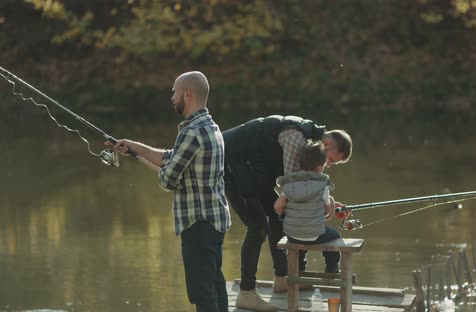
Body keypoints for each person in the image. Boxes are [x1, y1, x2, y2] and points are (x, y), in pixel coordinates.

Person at [107, 71, 231, 312]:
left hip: (197, 224)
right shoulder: (210, 127)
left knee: (202, 292)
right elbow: (171, 157)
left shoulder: (191, 132)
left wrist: (146, 164)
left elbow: (168, 179)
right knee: (215, 283)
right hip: (214, 221)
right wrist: (136, 148)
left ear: (187, 94)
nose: (172, 97)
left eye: (174, 92)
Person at [222, 115, 352, 311]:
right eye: (332, 160)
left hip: (255, 174)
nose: (330, 166)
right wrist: (325, 204)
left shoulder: (308, 142)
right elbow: (294, 188)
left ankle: (282, 278)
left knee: (277, 219)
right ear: (325, 144)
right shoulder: (295, 139)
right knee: (257, 227)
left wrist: (330, 203)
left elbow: (300, 190)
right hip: (234, 165)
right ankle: (246, 293)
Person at [274, 140, 341, 273]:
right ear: (320, 167)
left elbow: (277, 206)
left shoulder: (289, 183)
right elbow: (327, 212)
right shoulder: (322, 184)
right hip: (316, 233)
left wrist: (284, 213)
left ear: (300, 164)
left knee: (300, 240)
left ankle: (299, 269)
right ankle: (331, 267)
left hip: (292, 234)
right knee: (335, 235)